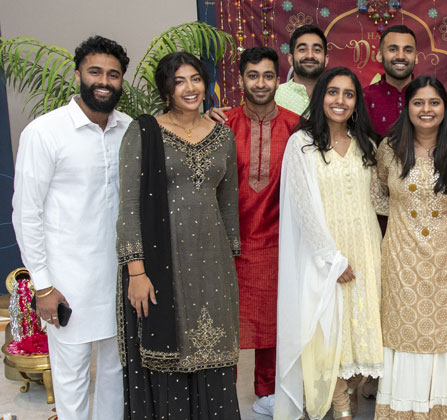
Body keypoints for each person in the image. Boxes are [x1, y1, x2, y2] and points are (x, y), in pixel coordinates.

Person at [116, 52, 241, 419]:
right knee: (169, 353)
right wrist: (136, 273)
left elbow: (228, 202)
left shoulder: (223, 135)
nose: (190, 88)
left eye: (196, 79)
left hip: (211, 263)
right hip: (161, 261)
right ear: (166, 90)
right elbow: (129, 205)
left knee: (212, 350)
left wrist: (230, 260)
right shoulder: (144, 133)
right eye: (179, 81)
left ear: (207, 84)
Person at [11, 35, 130, 420]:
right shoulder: (45, 132)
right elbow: (26, 214)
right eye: (96, 71)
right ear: (77, 74)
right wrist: (43, 285)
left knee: (115, 371)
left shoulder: (130, 129)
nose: (104, 81)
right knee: (72, 374)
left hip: (119, 279)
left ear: (121, 81)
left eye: (113, 74)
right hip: (67, 283)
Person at [274, 67, 384, 420]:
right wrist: (331, 259)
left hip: (367, 248)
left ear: (357, 102)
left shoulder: (367, 143)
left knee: (360, 330)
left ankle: (350, 399)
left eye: (348, 94)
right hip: (324, 255)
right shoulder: (302, 143)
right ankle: (340, 410)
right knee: (328, 333)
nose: (340, 101)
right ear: (320, 96)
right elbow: (302, 208)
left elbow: (380, 200)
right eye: (333, 92)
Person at [375, 76, 447, 420]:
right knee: (402, 333)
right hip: (401, 257)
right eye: (418, 102)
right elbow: (380, 198)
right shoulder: (389, 148)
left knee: (442, 335)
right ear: (407, 108)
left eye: (434, 102)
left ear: (445, 107)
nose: (426, 109)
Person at [220, 46, 300, 416]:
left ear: (277, 79)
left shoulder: (296, 125)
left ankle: (267, 393)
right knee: (227, 320)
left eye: (268, 75)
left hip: (278, 241)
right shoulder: (222, 124)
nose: (261, 83)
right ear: (240, 80)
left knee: (274, 317)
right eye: (253, 75)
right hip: (229, 242)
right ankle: (221, 392)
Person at [363, 25, 418, 138]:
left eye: (408, 50)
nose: (401, 56)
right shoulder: (363, 98)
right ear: (379, 55)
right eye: (393, 49)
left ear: (416, 57)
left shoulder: (432, 97)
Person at [275, 24, 329, 116]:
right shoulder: (274, 96)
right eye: (302, 49)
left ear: (326, 60)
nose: (310, 56)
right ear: (290, 59)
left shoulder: (336, 96)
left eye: (316, 50)